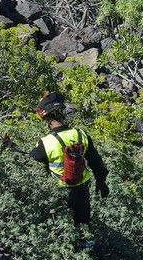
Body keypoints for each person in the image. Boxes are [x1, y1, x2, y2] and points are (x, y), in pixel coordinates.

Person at [29, 92, 109, 248]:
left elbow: (29, 158)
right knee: (83, 226)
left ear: (47, 119)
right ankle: (86, 254)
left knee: (63, 226)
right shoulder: (80, 134)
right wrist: (101, 183)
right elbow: (96, 163)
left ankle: (66, 252)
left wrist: (11, 146)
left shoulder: (46, 143)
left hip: (61, 192)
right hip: (83, 190)